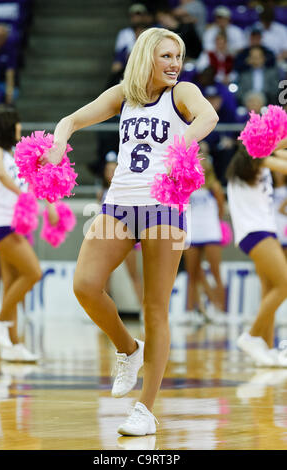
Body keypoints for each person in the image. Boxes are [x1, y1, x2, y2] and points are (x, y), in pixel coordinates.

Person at [44, 27, 219, 436]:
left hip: (164, 205)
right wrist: (57, 145)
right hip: (119, 202)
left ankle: (145, 409)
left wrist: (185, 145)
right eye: (166, 56)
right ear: (146, 57)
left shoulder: (183, 93)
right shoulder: (124, 94)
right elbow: (71, 118)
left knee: (154, 307)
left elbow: (208, 116)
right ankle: (128, 348)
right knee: (85, 285)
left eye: (178, 56)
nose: (175, 63)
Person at [0, 106, 43, 362]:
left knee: (12, 283)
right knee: (33, 272)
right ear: (7, 126)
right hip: (1, 224)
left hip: (12, 223)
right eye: (17, 123)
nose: (20, 127)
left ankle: (13, 345)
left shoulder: (9, 154)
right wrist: (20, 193)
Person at [226, 143, 287, 367]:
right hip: (256, 231)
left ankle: (266, 348)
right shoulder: (255, 161)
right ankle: (251, 336)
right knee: (284, 285)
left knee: (270, 289)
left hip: (261, 231)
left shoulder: (253, 164)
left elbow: (279, 152)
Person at [183, 142, 226, 325]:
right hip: (192, 233)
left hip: (210, 232)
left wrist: (211, 222)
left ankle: (221, 312)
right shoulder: (187, 185)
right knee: (192, 274)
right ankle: (191, 312)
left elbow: (221, 210)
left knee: (216, 273)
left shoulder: (214, 187)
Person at [97, 151, 143, 307]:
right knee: (104, 276)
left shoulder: (126, 188)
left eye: (113, 170)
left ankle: (144, 311)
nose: (110, 173)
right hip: (107, 237)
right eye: (108, 170)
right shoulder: (101, 193)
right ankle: (103, 311)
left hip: (126, 235)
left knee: (134, 274)